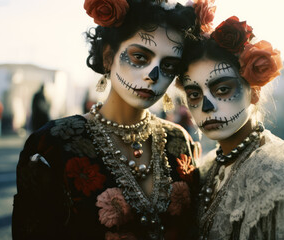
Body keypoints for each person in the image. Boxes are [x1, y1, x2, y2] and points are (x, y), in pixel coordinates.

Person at [12, 1, 201, 239]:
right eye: (140, 57)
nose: (153, 76)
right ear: (108, 56)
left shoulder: (179, 141)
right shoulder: (54, 144)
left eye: (169, 65)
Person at [177, 15, 284, 239]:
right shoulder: (210, 166)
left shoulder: (278, 180)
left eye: (222, 90)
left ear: (255, 91)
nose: (206, 106)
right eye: (194, 94)